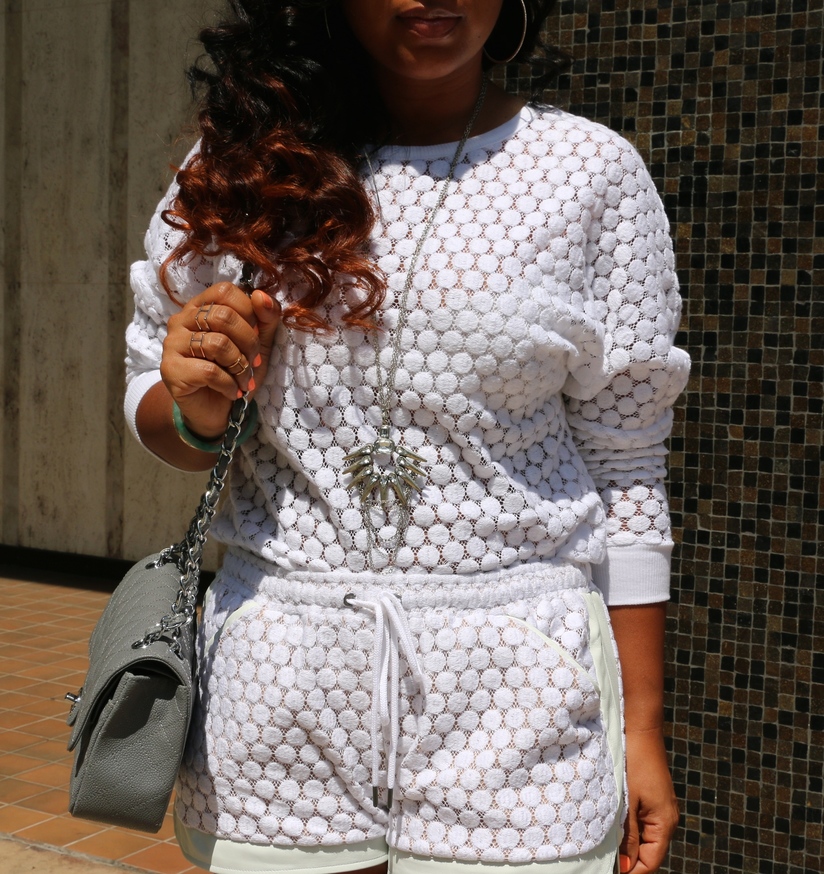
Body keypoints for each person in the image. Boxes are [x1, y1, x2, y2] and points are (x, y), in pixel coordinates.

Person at [125, 2, 690, 872]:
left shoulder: (590, 174)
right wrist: (195, 408)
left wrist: (642, 729)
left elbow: (627, 462)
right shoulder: (242, 167)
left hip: (517, 694)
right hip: (280, 691)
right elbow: (154, 401)